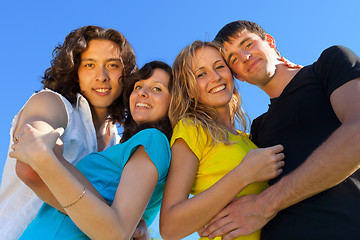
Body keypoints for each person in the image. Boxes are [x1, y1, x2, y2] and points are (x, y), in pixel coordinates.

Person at [198, 20, 360, 240]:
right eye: (234, 59)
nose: (244, 57)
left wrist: (266, 204)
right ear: (238, 76)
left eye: (247, 44)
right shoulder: (257, 129)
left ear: (270, 42)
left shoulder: (328, 65)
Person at [0, 25, 138, 239]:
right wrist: (109, 219)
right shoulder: (52, 104)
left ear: (126, 75)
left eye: (112, 65)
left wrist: (135, 225)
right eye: (89, 65)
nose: (101, 76)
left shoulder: (118, 143)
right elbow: (31, 165)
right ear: (75, 73)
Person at [10, 61, 173, 239]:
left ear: (175, 101)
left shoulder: (153, 140)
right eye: (138, 86)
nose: (142, 92)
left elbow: (115, 233)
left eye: (157, 88)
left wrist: (44, 157)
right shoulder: (132, 148)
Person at [159, 41, 285, 240]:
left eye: (219, 67)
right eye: (201, 74)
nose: (215, 77)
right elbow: (170, 227)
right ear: (189, 90)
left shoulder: (250, 139)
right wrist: (243, 174)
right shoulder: (192, 129)